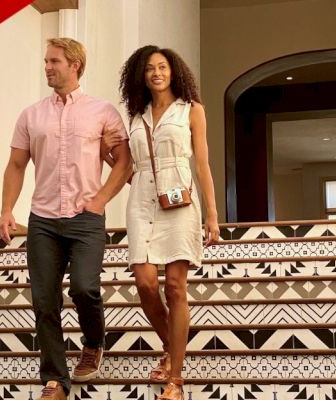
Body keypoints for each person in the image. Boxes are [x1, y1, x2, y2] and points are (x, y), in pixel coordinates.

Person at [0, 38, 132, 400]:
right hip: (42, 219)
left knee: (84, 288)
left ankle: (93, 342)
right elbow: (15, 165)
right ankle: (55, 380)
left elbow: (124, 162)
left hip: (85, 217)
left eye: (54, 61)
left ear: (75, 65)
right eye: (45, 61)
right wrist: (7, 209)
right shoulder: (31, 115)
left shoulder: (102, 111)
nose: (47, 67)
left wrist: (101, 200)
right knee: (44, 301)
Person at [102, 45, 220, 400]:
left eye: (163, 67)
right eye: (150, 68)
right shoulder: (136, 116)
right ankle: (172, 345)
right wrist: (108, 154)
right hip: (141, 200)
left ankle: (177, 381)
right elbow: (130, 171)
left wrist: (212, 214)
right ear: (141, 75)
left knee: (175, 287)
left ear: (174, 71)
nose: (157, 73)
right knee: (145, 282)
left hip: (180, 199)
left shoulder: (191, 111)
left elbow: (202, 165)